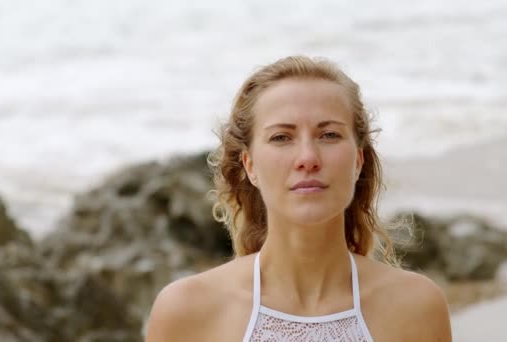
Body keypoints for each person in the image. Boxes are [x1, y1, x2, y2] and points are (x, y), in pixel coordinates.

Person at [145, 55, 452, 341]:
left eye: (329, 135)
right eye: (282, 137)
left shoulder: (416, 307)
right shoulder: (186, 312)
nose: (308, 157)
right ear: (249, 165)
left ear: (358, 160)